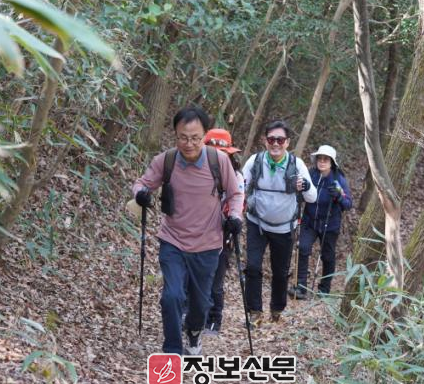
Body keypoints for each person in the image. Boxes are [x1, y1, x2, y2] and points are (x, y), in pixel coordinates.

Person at [132, 106, 243, 356]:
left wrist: (235, 217)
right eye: (183, 137)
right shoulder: (166, 161)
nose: (189, 144)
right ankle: (172, 350)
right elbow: (142, 183)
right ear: (175, 134)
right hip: (173, 240)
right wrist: (141, 194)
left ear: (204, 135)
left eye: (195, 138)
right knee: (171, 296)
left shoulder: (218, 161)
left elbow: (235, 194)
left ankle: (194, 331)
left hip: (208, 244)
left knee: (200, 304)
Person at [242, 120, 317, 326]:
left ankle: (276, 309)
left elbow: (312, 197)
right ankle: (254, 311)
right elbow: (240, 186)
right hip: (256, 223)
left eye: (280, 140)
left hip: (285, 228)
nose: (275, 143)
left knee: (280, 272)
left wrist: (306, 186)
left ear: (288, 142)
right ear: (265, 141)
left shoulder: (297, 164)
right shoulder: (255, 161)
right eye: (271, 139)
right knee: (253, 267)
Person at [289, 145, 352, 299]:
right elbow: (299, 192)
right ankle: (300, 287)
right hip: (309, 221)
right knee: (303, 248)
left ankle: (324, 289)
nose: (322, 162)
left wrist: (338, 196)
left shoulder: (338, 180)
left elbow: (348, 204)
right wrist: (301, 190)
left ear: (332, 162)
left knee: (327, 256)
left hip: (330, 224)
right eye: (320, 159)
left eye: (326, 159)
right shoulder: (310, 175)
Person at [200, 128, 245, 336]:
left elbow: (238, 200)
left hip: (223, 230)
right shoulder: (195, 171)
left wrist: (234, 219)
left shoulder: (236, 176)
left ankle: (214, 318)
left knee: (216, 279)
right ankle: (191, 314)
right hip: (196, 230)